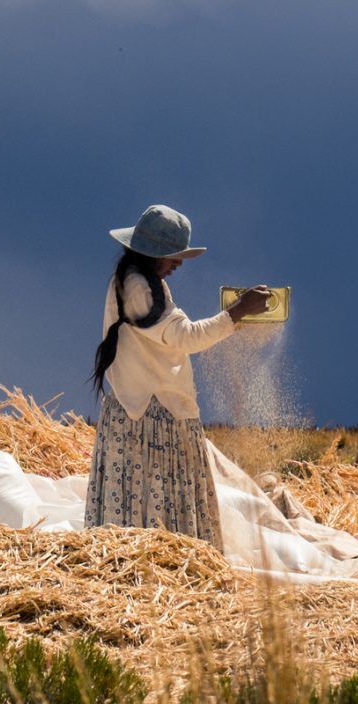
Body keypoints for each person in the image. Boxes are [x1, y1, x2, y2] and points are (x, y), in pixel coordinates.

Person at [85, 204, 270, 550]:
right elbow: (185, 337)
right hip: (150, 419)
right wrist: (236, 313)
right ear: (152, 253)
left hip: (144, 413)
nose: (178, 263)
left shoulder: (138, 282)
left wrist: (235, 314)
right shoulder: (138, 289)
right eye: (173, 255)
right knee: (156, 515)